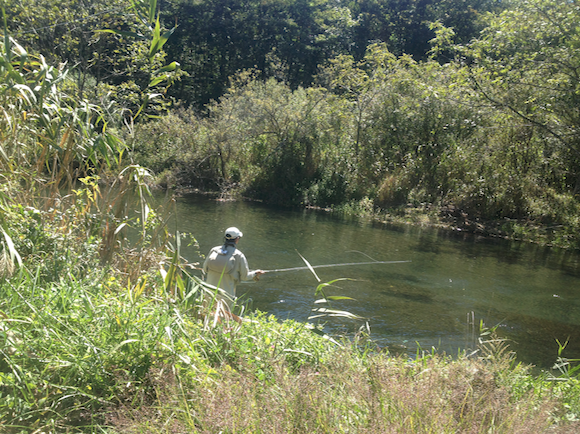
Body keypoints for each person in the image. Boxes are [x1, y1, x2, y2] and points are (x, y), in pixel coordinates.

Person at [202, 227, 264, 308]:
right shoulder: (239, 255)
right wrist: (255, 273)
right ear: (237, 239)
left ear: (225, 237)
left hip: (209, 293)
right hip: (226, 296)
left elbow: (204, 269)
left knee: (207, 315)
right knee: (224, 318)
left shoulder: (214, 250)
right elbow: (245, 277)